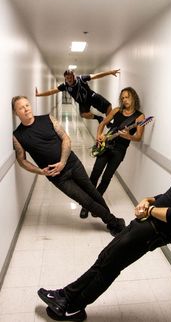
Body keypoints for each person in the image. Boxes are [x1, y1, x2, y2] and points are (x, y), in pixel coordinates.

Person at [38, 127, 171, 322]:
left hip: (154, 230)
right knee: (105, 258)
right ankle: (66, 296)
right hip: (146, 221)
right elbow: (169, 196)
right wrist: (149, 200)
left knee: (110, 266)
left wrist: (149, 211)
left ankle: (73, 307)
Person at [12, 96, 125, 237]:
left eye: (27, 105)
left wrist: (63, 162)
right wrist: (40, 171)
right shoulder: (18, 136)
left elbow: (65, 138)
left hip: (72, 163)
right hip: (57, 177)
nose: (26, 109)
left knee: (92, 191)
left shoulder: (48, 118)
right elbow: (21, 160)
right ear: (16, 113)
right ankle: (112, 221)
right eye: (21, 108)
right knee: (85, 200)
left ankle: (109, 219)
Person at [79, 86, 145, 219]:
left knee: (106, 178)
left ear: (133, 97)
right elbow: (102, 123)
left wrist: (128, 136)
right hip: (106, 146)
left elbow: (138, 137)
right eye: (123, 98)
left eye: (127, 97)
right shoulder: (116, 111)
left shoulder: (139, 117)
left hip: (120, 151)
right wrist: (98, 135)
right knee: (95, 174)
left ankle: (95, 205)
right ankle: (85, 206)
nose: (125, 100)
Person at [36, 68, 120, 123]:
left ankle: (109, 123)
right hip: (83, 103)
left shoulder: (81, 79)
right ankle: (99, 118)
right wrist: (39, 94)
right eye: (67, 78)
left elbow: (96, 76)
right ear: (65, 78)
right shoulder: (65, 85)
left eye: (70, 77)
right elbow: (52, 91)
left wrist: (109, 72)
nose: (69, 79)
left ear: (74, 76)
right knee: (83, 115)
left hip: (92, 96)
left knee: (109, 106)